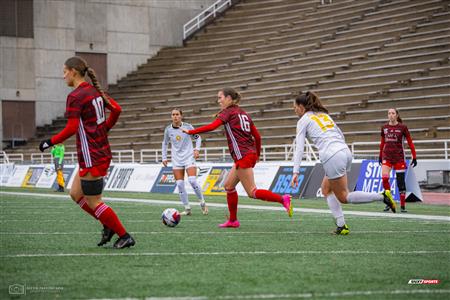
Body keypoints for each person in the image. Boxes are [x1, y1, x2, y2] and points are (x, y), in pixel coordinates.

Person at [39, 56, 135, 249]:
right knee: (75, 194)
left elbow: (72, 128)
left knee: (94, 201)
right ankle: (107, 225)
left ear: (73, 71)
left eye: (64, 71)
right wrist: (103, 129)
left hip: (92, 155)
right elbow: (117, 110)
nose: (63, 75)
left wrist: (49, 141)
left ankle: (124, 235)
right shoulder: (95, 92)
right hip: (97, 151)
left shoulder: (76, 96)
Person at [182, 87, 292, 228]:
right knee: (228, 186)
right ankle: (233, 220)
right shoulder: (243, 113)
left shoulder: (228, 112)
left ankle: (283, 199)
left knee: (252, 191)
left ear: (228, 98)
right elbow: (257, 136)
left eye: (220, 97)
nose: (218, 101)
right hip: (248, 154)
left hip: (243, 155)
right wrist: (257, 154)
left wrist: (191, 131)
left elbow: (212, 127)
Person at [290, 91, 396, 235]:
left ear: (302, 107)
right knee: (326, 189)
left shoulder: (303, 120)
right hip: (344, 151)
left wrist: (295, 172)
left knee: (344, 196)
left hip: (332, 155)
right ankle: (341, 226)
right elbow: (340, 134)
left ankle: (382, 196)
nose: (294, 109)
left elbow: (299, 148)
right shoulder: (324, 115)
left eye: (295, 106)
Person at [162, 108, 208, 216]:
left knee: (192, 180)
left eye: (177, 114)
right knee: (180, 184)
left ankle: (202, 202)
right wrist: (164, 157)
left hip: (188, 157)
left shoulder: (188, 127)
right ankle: (187, 208)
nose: (175, 116)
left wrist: (197, 149)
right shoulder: (168, 130)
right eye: (173, 114)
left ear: (181, 116)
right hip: (176, 160)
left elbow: (198, 137)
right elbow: (165, 143)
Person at [379, 108, 417, 213]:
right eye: (389, 113)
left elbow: (410, 142)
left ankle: (403, 206)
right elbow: (382, 143)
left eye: (393, 113)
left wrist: (414, 156)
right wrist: (380, 155)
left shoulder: (403, 127)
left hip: (399, 158)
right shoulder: (384, 128)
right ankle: (389, 202)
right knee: (385, 178)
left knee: (400, 182)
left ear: (396, 115)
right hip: (387, 157)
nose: (391, 115)